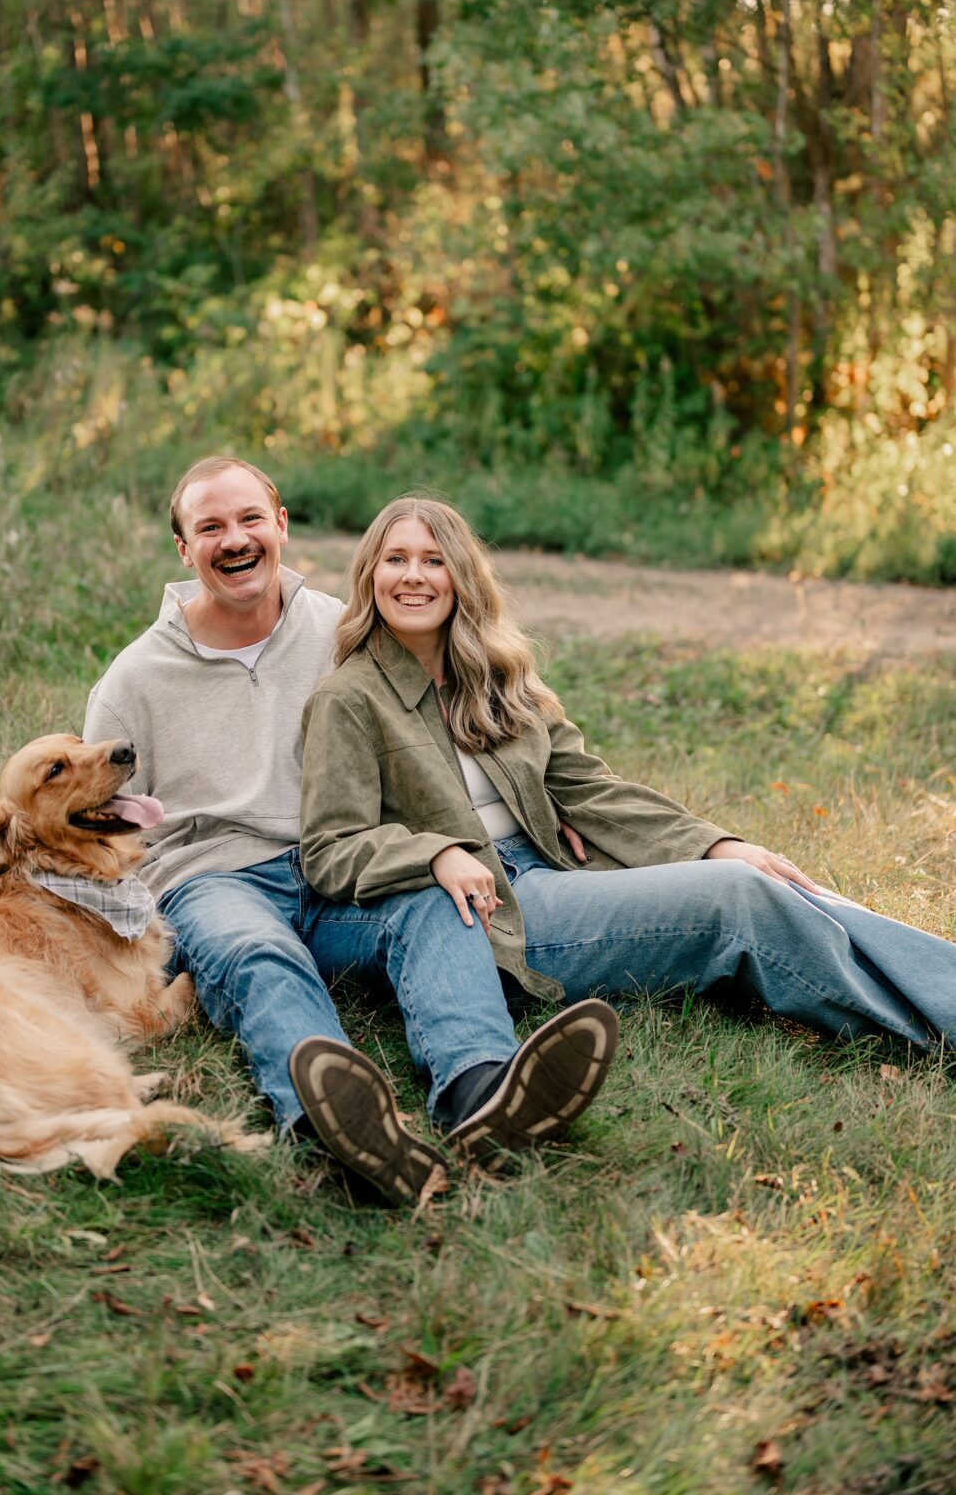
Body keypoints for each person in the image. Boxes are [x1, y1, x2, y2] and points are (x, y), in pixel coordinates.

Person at [82, 454, 618, 1205]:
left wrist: (536, 798)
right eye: (209, 528)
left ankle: (482, 1094)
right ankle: (338, 1127)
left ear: (280, 526)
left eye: (248, 520)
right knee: (256, 952)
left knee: (438, 899)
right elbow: (95, 817)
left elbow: (450, 706)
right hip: (216, 878)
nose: (233, 539)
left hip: (338, 865)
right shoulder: (135, 678)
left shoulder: (342, 630)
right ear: (183, 550)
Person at [300, 494, 956, 1077]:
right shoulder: (350, 698)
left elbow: (588, 788)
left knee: (773, 882)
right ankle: (936, 1027)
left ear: (461, 578)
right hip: (496, 911)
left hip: (551, 872)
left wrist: (710, 843)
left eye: (433, 560)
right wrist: (433, 853)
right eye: (395, 559)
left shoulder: (496, 679)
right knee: (738, 901)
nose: (413, 576)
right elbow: (330, 847)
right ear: (370, 575)